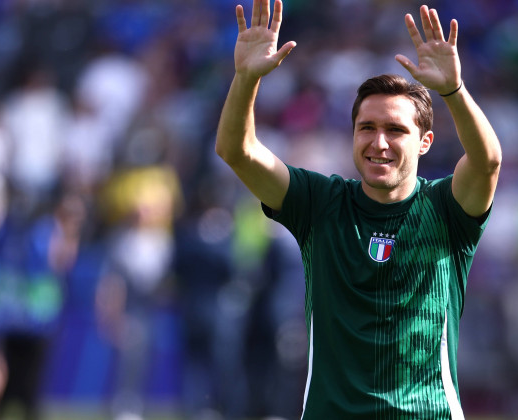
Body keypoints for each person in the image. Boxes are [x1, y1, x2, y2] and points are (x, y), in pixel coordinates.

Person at [215, 0, 501, 418]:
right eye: (367, 128)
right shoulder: (319, 203)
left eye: (395, 130)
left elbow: (487, 162)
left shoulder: (447, 208)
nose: (379, 142)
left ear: (424, 142)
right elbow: (236, 151)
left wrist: (453, 92)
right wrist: (245, 79)